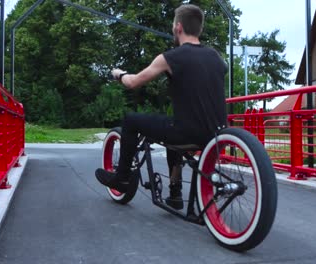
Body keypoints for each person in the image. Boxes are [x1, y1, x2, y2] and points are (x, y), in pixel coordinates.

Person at [95, 4, 227, 210]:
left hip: (186, 132)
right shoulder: (218, 59)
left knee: (131, 120)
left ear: (178, 27)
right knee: (173, 126)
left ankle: (121, 178)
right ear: (199, 29)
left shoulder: (170, 57)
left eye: (174, 24)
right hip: (217, 135)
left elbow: (133, 83)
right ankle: (175, 192)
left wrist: (118, 73)